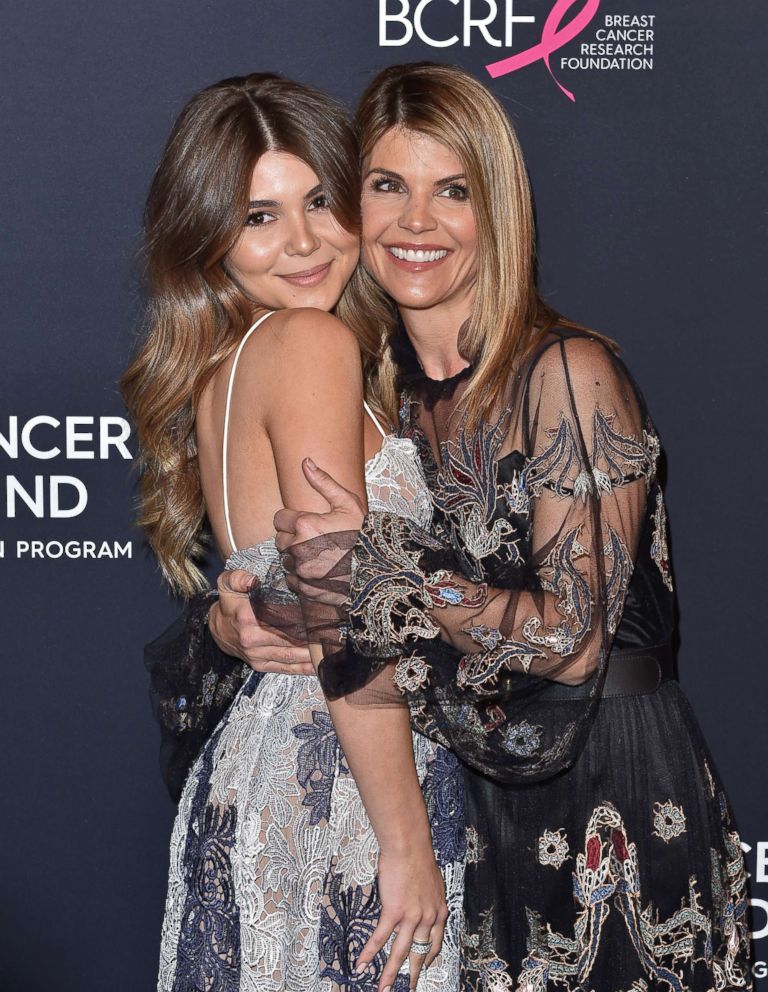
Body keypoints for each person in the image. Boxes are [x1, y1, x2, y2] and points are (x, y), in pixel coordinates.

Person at [222, 63, 753, 990]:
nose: (416, 222)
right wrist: (244, 612)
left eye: (452, 191)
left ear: (497, 209)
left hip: (605, 790)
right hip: (464, 790)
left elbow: (571, 640)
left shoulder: (569, 375)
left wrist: (389, 562)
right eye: (388, 187)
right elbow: (334, 592)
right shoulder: (380, 390)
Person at [121, 73, 465, 992]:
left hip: (265, 773)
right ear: (208, 239)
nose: (306, 240)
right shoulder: (312, 345)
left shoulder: (225, 368)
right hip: (346, 785)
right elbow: (342, 608)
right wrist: (405, 845)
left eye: (320, 199)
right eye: (260, 216)